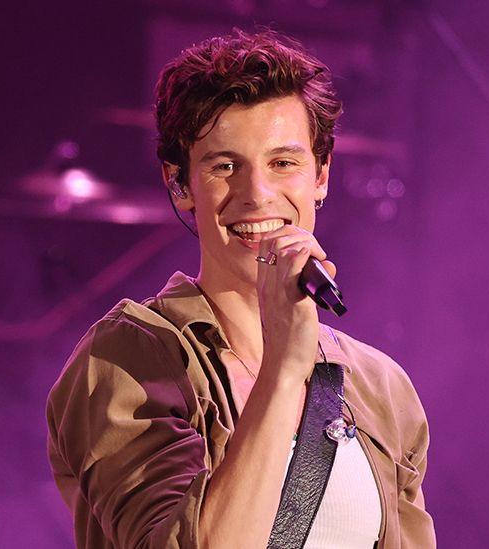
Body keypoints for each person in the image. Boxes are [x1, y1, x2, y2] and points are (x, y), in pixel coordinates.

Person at [46, 30, 435, 548]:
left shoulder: (381, 387)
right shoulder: (129, 360)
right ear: (180, 184)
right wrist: (283, 368)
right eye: (225, 165)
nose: (257, 194)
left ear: (321, 176)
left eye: (283, 163)